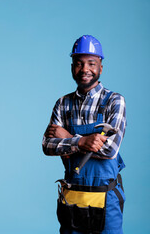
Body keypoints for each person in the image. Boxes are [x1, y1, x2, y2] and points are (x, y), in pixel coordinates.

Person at [42, 35, 126, 234]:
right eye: (79, 64)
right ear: (72, 67)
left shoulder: (115, 101)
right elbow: (47, 146)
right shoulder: (62, 104)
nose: (85, 69)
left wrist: (68, 138)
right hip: (72, 198)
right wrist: (83, 142)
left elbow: (109, 150)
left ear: (100, 68)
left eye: (91, 63)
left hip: (105, 199)